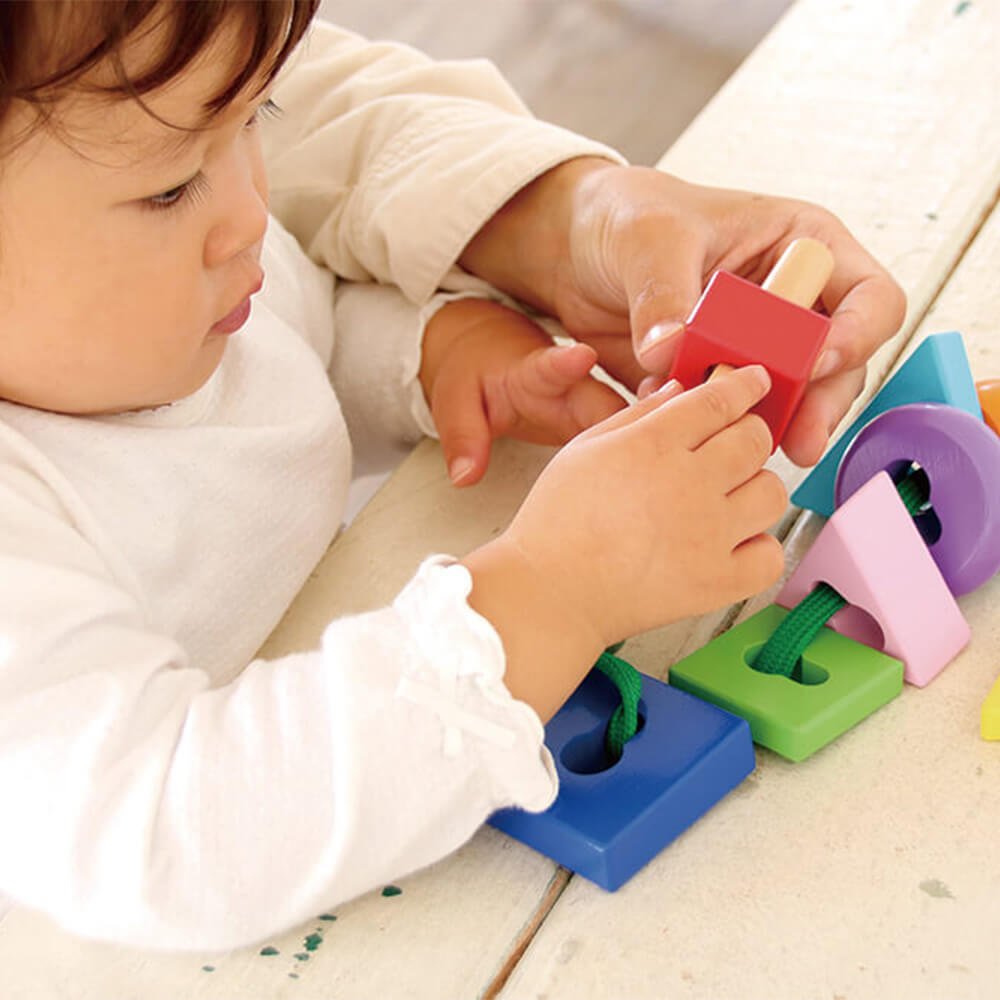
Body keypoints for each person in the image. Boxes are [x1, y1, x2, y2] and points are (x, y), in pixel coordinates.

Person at [0, 0, 905, 950]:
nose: (253, 214)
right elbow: (171, 837)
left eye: (256, 118)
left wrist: (432, 352)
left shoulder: (138, 304)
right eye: (173, 188)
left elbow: (274, 353)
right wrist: (553, 594)